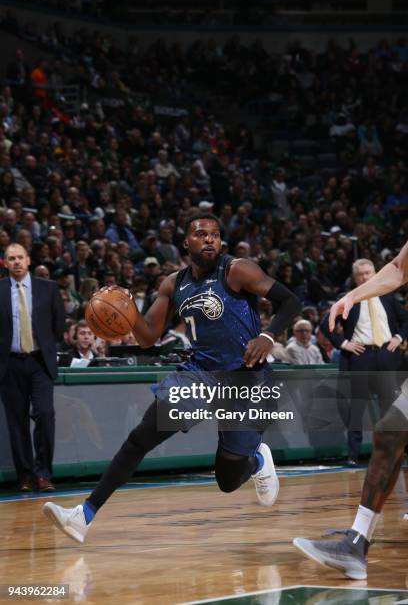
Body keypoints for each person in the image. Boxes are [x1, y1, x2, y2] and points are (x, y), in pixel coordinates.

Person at [43, 214, 301, 542]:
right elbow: (148, 336)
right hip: (200, 376)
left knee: (227, 478)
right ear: (185, 242)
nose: (209, 239)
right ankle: (84, 515)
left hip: (248, 379)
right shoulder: (173, 284)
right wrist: (128, 310)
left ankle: (257, 459)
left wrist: (268, 336)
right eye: (200, 234)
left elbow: (291, 301)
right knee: (141, 437)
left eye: (215, 235)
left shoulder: (237, 270)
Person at [293, 239, 408, 580]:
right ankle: (356, 544)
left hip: (387, 360)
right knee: (389, 433)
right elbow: (400, 268)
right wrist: (353, 296)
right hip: (365, 361)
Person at [320, 258, 408, 464]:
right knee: (357, 408)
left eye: (369, 273)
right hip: (361, 356)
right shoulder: (349, 298)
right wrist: (343, 344)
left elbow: (406, 320)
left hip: (387, 354)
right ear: (354, 277)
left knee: (391, 408)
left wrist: (399, 337)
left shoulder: (387, 296)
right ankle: (353, 455)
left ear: (376, 272)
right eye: (361, 274)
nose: (365, 277)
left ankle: (394, 452)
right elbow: (326, 325)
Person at [0, 243, 65, 491]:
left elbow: (59, 325)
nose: (16, 262)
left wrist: (49, 345)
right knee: (16, 422)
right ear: (5, 263)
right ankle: (26, 476)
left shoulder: (48, 288)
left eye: (19, 257)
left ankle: (44, 473)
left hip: (39, 362)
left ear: (28, 260)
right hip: (9, 364)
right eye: (11, 258)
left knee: (45, 415)